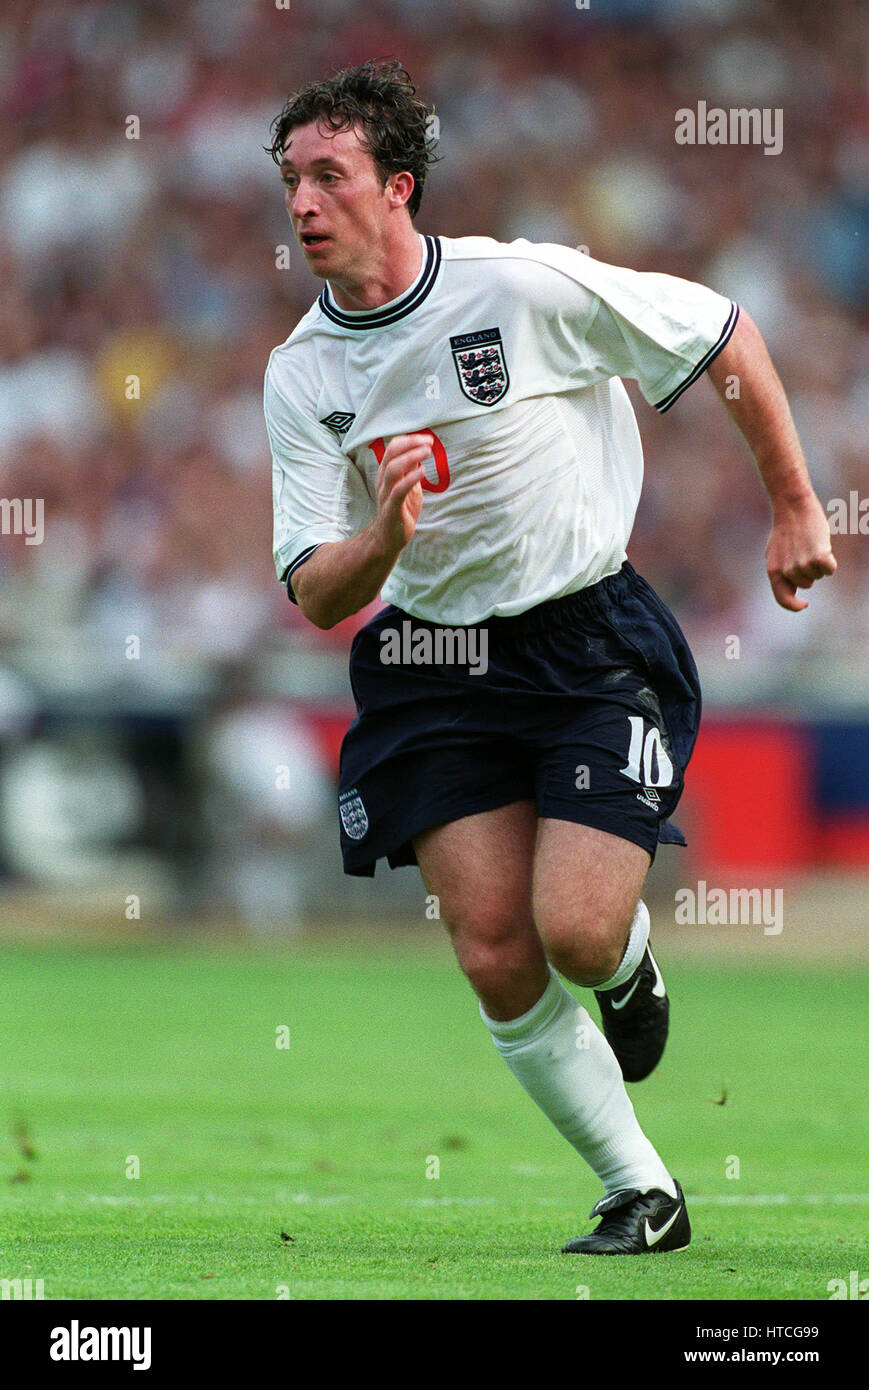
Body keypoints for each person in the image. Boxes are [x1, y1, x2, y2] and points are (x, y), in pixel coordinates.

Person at [263, 60, 836, 1254]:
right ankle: (642, 1190)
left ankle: (624, 970)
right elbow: (316, 589)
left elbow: (720, 332)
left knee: (574, 928)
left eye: (328, 176)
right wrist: (382, 536)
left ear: (397, 185)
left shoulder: (520, 287)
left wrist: (792, 503)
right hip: (427, 656)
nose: (302, 203)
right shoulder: (301, 373)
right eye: (289, 180)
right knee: (489, 944)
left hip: (582, 634)